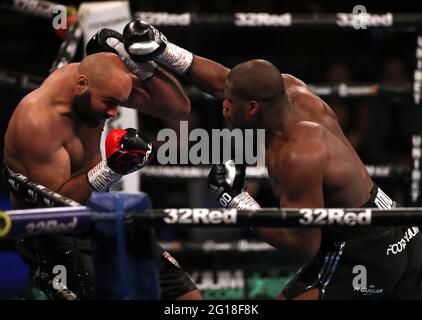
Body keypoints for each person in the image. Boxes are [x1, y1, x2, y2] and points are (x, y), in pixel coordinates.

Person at [121, 20, 422, 299]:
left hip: (361, 247)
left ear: (252, 109)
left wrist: (237, 201)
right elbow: (224, 82)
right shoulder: (290, 91)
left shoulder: (295, 154)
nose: (222, 105)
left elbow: (303, 245)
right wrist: (164, 49)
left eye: (230, 103)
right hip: (394, 223)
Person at [3, 29, 201, 300]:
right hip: (52, 233)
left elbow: (177, 108)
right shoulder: (39, 121)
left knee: (186, 297)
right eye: (109, 104)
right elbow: (57, 208)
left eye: (118, 103)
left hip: (101, 212)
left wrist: (139, 66)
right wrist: (110, 169)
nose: (113, 113)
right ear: (81, 84)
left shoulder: (104, 84)